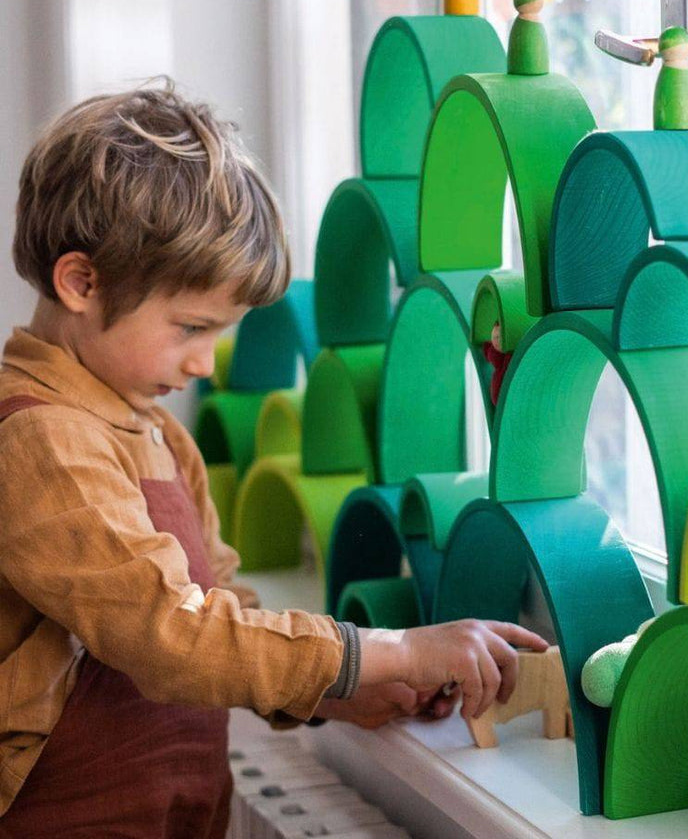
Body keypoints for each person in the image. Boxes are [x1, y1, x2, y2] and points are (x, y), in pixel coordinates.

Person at [0, 79, 548, 837]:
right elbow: (169, 633)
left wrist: (333, 694)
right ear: (81, 281)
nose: (203, 363)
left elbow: (222, 621)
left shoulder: (157, 433)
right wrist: (382, 652)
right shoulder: (39, 438)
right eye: (190, 327)